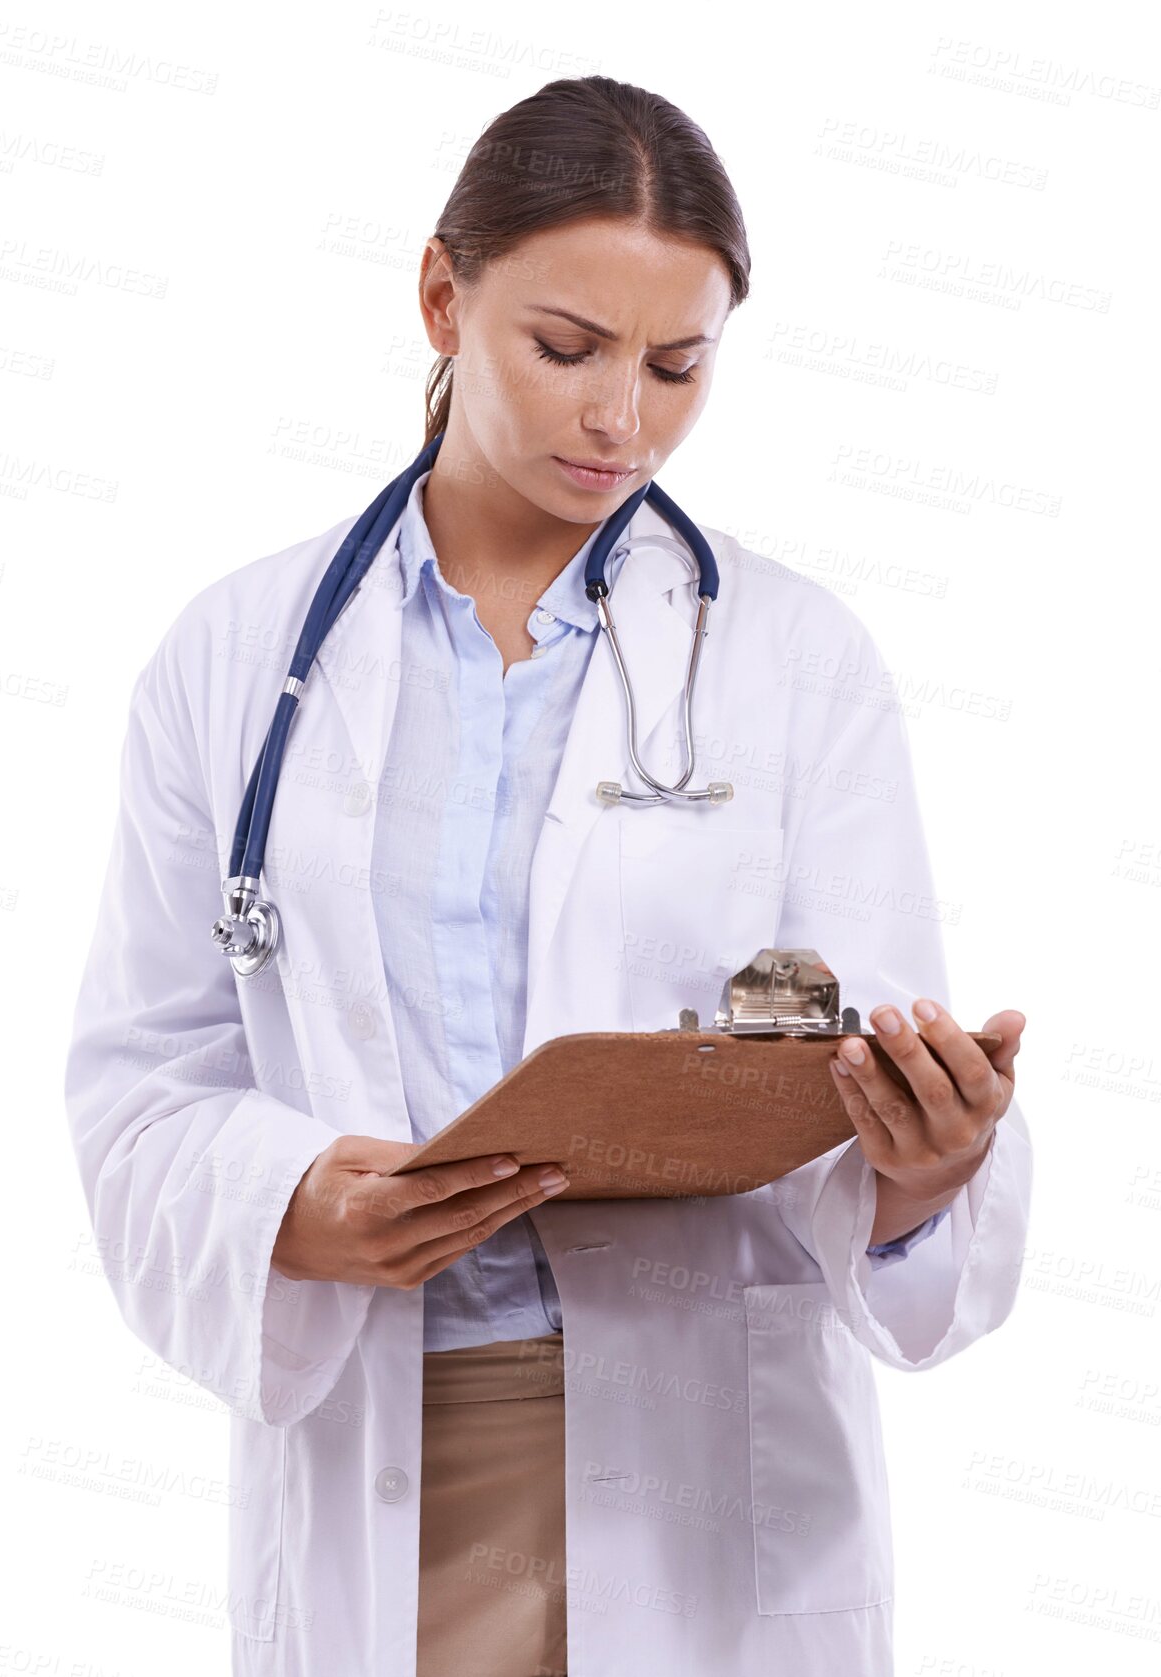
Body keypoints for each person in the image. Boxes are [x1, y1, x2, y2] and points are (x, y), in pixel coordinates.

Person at [64, 74, 1032, 1677]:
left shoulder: (795, 661)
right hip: (395, 1442)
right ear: (444, 296)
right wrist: (296, 1205)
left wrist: (924, 1170)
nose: (622, 421)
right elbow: (143, 1083)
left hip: (706, 1473)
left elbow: (858, 1078)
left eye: (677, 365)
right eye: (568, 350)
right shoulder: (234, 660)